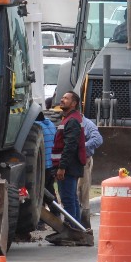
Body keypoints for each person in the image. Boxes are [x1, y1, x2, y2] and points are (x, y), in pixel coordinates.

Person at [52, 91, 87, 222]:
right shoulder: (70, 118)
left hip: (68, 167)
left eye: (66, 98)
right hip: (71, 166)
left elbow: (70, 146)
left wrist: (62, 167)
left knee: (67, 199)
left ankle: (71, 229)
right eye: (62, 97)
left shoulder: (72, 121)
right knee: (71, 198)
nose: (62, 100)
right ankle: (76, 230)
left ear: (74, 103)